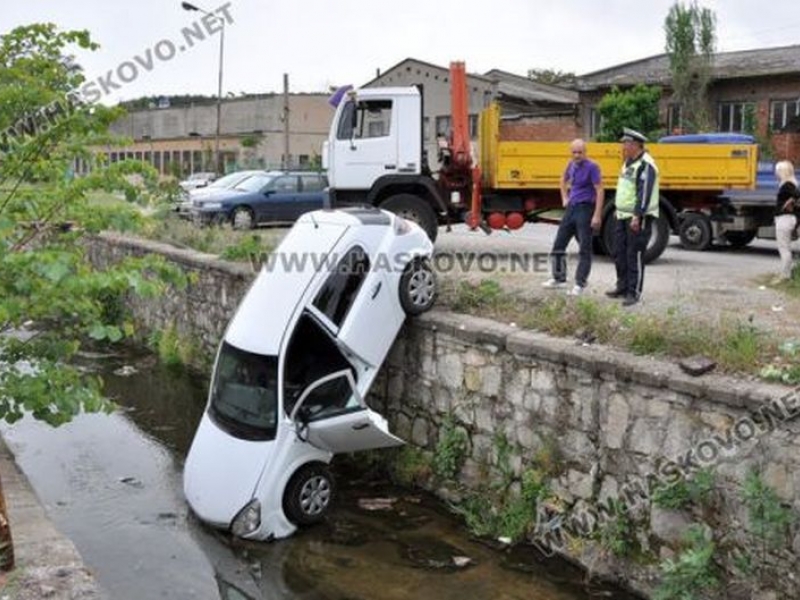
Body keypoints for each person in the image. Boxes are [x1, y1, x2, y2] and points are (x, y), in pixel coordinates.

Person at [542, 139, 604, 296]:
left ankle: (580, 283)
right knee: (559, 244)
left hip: (585, 208)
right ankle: (559, 278)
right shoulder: (571, 164)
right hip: (571, 208)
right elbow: (562, 179)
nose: (577, 155)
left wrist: (597, 215)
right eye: (574, 152)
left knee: (584, 248)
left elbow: (600, 190)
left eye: (580, 152)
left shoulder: (592, 167)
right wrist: (564, 197)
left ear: (585, 152)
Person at [605, 128, 659, 307]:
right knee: (618, 252)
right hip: (622, 214)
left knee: (633, 254)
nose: (623, 147)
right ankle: (622, 286)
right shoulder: (628, 162)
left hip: (637, 217)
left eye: (625, 144)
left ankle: (633, 291)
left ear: (635, 145)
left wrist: (637, 215)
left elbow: (644, 193)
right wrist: (618, 208)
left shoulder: (646, 164)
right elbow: (624, 188)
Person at [773, 160, 800, 282]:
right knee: (785, 248)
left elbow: (797, 195)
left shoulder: (787, 185)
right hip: (788, 219)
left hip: (784, 219)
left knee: (784, 249)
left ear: (782, 172)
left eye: (777, 171)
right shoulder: (791, 183)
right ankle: (785, 275)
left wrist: (791, 201)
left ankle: (785, 276)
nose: (776, 174)